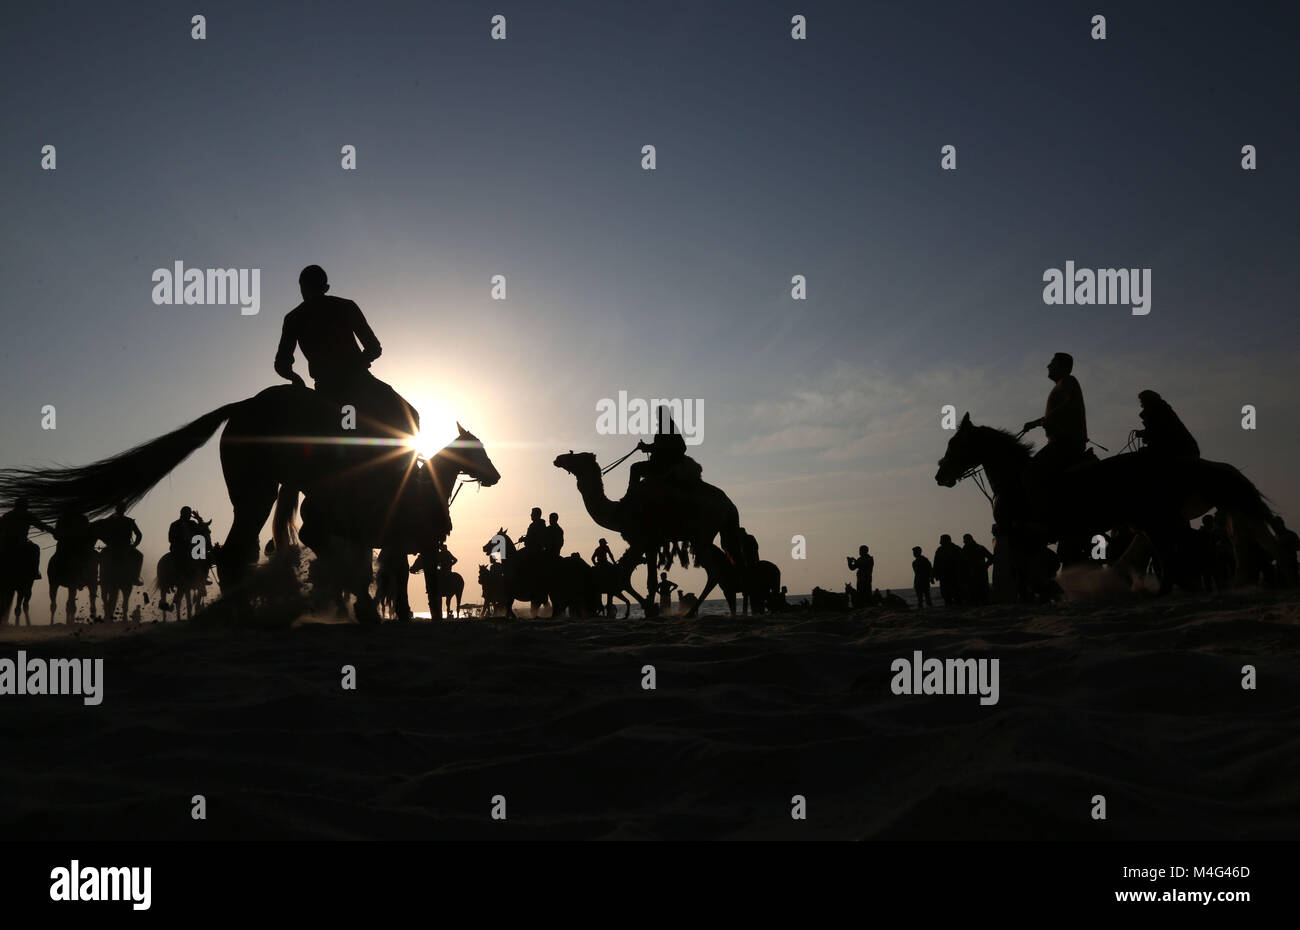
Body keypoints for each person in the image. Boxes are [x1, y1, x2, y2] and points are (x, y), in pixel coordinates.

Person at [1022, 352, 1089, 486]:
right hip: (1061, 443)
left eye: (1052, 363)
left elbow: (1071, 403)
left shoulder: (1067, 381)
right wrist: (1035, 423)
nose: (1048, 366)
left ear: (1061, 366)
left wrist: (1047, 419)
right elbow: (1060, 411)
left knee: (1031, 471)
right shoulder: (1063, 384)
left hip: (1065, 444)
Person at [628, 407, 697, 495]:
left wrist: (646, 447)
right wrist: (646, 447)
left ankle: (630, 497)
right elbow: (660, 445)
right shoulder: (668, 426)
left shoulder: (666, 426)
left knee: (635, 468)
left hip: (663, 465)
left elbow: (661, 446)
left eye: (658, 414)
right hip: (665, 463)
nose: (657, 416)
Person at [1135, 390, 1200, 458]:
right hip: (1185, 449)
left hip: (1181, 450)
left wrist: (1144, 434)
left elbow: (1160, 431)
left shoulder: (1159, 411)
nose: (1141, 404)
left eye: (1142, 401)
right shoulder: (1163, 410)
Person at [98, 502, 145, 586]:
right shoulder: (129, 521)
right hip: (126, 547)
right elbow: (139, 535)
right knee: (139, 556)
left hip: (112, 546)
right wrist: (134, 545)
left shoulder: (110, 521)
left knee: (102, 556)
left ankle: (101, 578)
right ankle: (135, 577)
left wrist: (108, 543)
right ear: (124, 510)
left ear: (116, 510)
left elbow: (102, 534)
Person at [961, 533, 994, 605]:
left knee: (979, 593)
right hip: (973, 574)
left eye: (965, 540)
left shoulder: (978, 548)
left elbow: (991, 558)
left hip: (977, 574)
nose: (964, 542)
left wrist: (985, 565)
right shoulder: (968, 549)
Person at [932, 534, 963, 606]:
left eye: (941, 540)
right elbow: (936, 563)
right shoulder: (940, 550)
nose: (940, 542)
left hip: (954, 576)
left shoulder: (955, 549)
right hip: (944, 576)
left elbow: (962, 562)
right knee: (946, 595)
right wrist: (933, 575)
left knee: (956, 594)